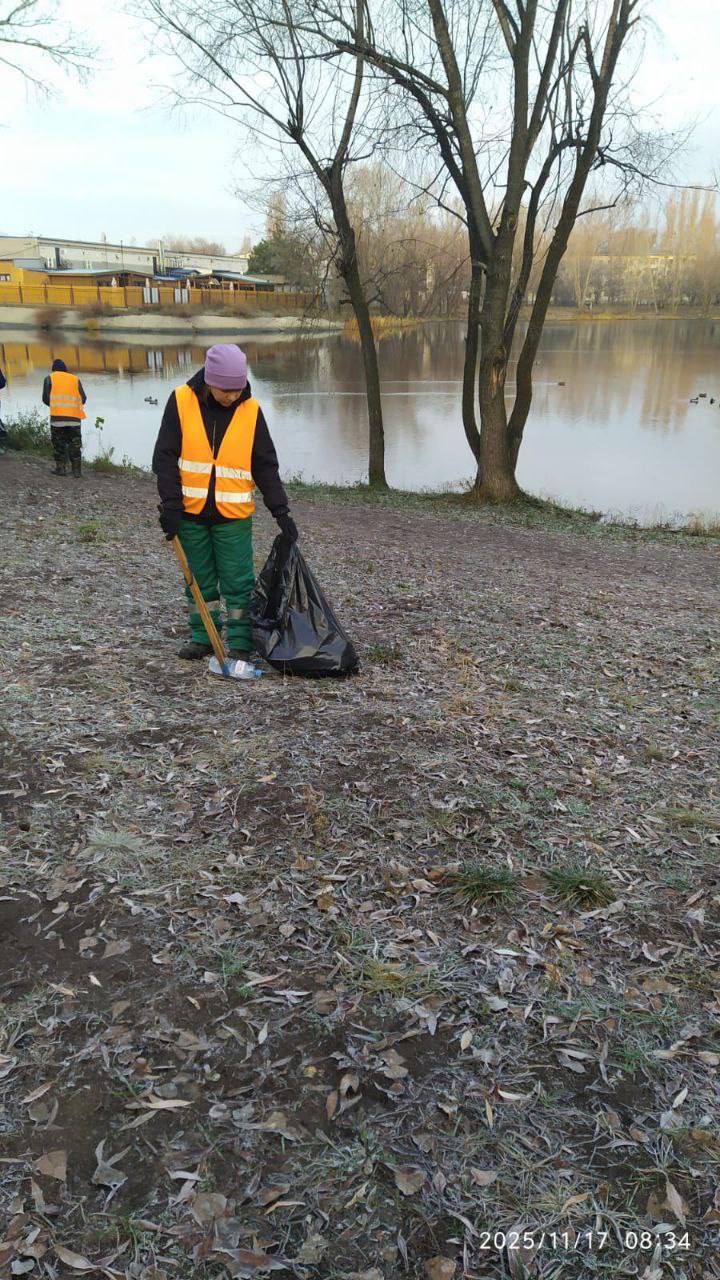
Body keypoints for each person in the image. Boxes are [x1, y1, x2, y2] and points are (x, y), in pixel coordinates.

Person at [152, 343, 298, 662]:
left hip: (233, 516)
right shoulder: (180, 401)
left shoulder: (251, 410)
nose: (232, 396)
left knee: (238, 582)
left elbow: (264, 464)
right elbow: (164, 457)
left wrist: (281, 511)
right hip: (189, 514)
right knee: (198, 580)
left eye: (238, 389)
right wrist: (172, 506)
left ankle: (241, 644)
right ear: (209, 380)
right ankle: (203, 636)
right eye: (225, 390)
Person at [42, 358, 87, 477]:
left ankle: (61, 469)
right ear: (65, 369)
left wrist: (56, 406)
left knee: (59, 445)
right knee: (75, 445)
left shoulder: (49, 378)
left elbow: (46, 399)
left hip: (57, 419)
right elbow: (83, 398)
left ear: (53, 369)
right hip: (74, 419)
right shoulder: (75, 379)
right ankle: (77, 472)